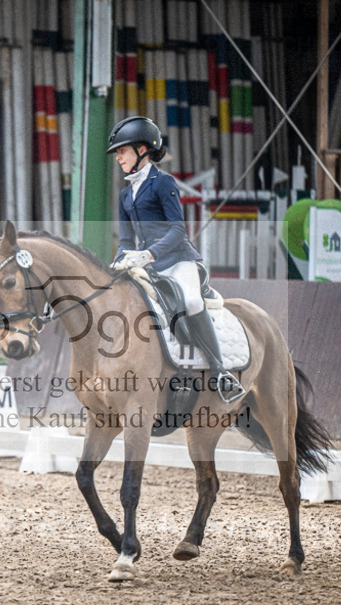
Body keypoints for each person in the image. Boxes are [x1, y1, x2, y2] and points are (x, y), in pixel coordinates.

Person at [107, 115, 244, 402]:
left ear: (142, 149)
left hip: (177, 259)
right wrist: (119, 260)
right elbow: (126, 240)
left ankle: (220, 373)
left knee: (192, 302)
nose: (118, 157)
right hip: (147, 265)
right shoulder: (124, 195)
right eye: (118, 152)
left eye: (123, 150)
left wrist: (150, 253)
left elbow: (178, 229)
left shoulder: (162, 182)